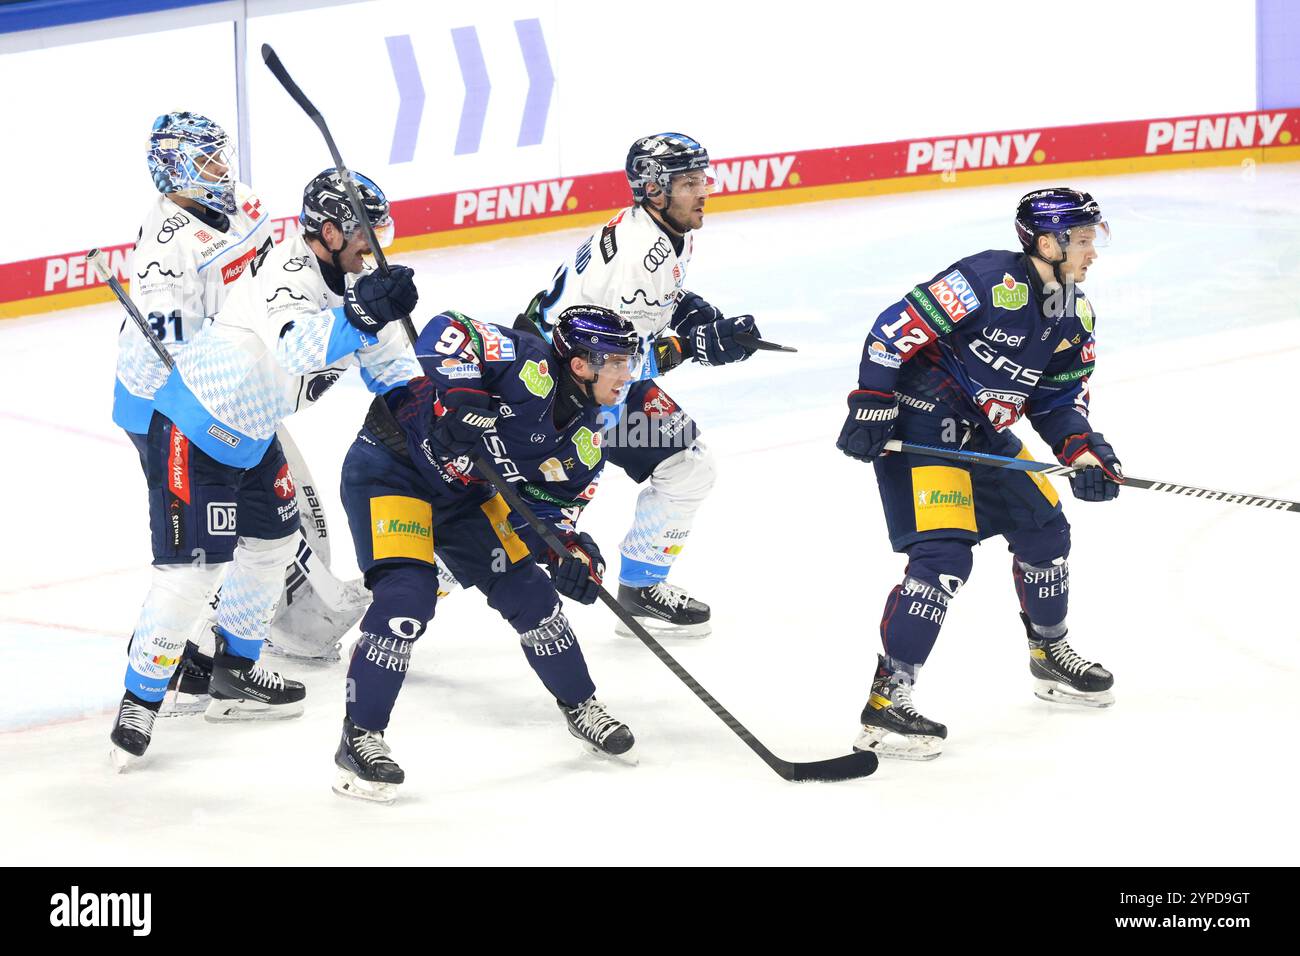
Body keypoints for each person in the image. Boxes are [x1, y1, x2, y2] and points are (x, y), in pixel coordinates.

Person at [109, 169, 420, 769]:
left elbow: (392, 372)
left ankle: (235, 671)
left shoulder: (359, 279)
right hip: (193, 428)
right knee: (194, 572)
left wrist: (435, 413)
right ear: (328, 232)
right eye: (364, 232)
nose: (376, 244)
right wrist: (360, 313)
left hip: (253, 436)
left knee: (274, 545)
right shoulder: (289, 274)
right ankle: (139, 699)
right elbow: (298, 348)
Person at [836, 187, 1120, 761]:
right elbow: (894, 329)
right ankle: (889, 700)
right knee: (943, 559)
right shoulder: (984, 280)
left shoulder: (1073, 309)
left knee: (1045, 529)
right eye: (1084, 240)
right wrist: (871, 401)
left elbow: (1057, 400)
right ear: (1047, 241)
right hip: (921, 433)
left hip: (985, 438)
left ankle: (1048, 652)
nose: (1093, 252)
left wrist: (1085, 450)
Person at [334, 305, 641, 802]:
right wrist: (464, 398)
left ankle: (581, 706)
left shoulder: (584, 442)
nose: (628, 374)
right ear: (581, 364)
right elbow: (446, 329)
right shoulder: (527, 363)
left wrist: (572, 555)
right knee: (407, 600)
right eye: (617, 362)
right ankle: (360, 738)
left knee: (534, 596)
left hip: (465, 498)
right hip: (392, 469)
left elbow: (552, 512)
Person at [517, 133, 763, 638]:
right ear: (654, 190)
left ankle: (640, 589)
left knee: (688, 464)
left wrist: (692, 311)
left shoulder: (670, 229)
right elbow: (614, 361)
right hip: (557, 397)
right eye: (690, 182)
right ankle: (399, 590)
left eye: (703, 180)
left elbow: (646, 314)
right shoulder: (635, 253)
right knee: (525, 518)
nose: (703, 192)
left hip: (596, 385)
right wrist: (698, 345)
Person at [113, 111, 272, 713]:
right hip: (163, 406)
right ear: (175, 168)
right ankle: (166, 659)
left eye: (220, 155)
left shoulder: (246, 205)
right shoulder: (162, 256)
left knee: (257, 529)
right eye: (206, 160)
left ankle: (218, 652)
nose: (221, 169)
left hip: (231, 395)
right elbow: (177, 348)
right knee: (195, 548)